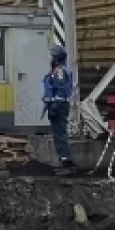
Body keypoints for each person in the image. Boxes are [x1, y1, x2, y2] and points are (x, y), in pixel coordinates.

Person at [42, 44, 75, 173]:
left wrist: (55, 106)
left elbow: (61, 89)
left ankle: (67, 163)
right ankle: (64, 160)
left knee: (60, 135)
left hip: (59, 107)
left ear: (56, 58)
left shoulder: (60, 71)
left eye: (51, 56)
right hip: (57, 106)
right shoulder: (57, 70)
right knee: (58, 135)